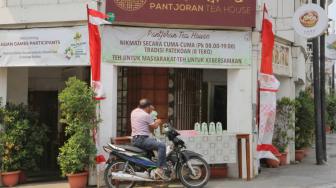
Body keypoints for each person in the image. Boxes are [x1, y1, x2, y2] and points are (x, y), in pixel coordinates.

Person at [131, 99, 167, 179]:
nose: (151, 109)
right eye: (149, 107)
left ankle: (147, 172)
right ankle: (160, 169)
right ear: (147, 107)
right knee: (162, 146)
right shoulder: (145, 115)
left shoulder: (134, 112)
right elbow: (154, 127)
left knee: (151, 154)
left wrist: (150, 109)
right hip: (142, 139)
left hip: (135, 139)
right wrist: (158, 121)